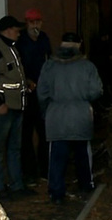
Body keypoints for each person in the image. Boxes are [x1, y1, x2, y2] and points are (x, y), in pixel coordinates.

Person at [37, 32, 103, 205]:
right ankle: (86, 185)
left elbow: (41, 93)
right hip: (80, 114)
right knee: (82, 153)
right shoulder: (87, 66)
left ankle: (56, 192)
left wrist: (47, 111)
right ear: (79, 45)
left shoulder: (49, 66)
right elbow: (96, 91)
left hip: (56, 114)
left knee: (57, 156)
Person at [0, 15, 34, 200]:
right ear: (8, 30)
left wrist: (26, 83)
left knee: (13, 147)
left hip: (16, 105)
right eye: (17, 30)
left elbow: (11, 75)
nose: (19, 34)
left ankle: (17, 185)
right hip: (3, 108)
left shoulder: (12, 48)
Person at [16, 8, 52, 184]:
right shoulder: (21, 40)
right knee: (26, 133)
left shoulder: (43, 38)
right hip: (27, 91)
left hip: (42, 91)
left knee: (44, 131)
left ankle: (45, 169)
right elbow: (18, 64)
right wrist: (26, 80)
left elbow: (49, 60)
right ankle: (29, 171)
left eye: (38, 21)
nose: (35, 25)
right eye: (32, 22)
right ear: (27, 23)